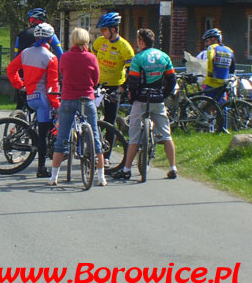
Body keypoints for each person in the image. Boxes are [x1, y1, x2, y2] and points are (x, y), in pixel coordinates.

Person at [113, 28, 178, 180]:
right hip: (158, 99)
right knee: (166, 134)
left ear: (141, 41)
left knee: (134, 136)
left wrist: (132, 98)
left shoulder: (138, 58)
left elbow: (134, 82)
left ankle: (127, 169)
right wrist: (163, 94)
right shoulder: (164, 56)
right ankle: (172, 167)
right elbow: (172, 80)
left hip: (142, 99)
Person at [49, 28, 106, 186]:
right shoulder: (92, 58)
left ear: (73, 40)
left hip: (68, 99)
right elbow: (96, 80)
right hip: (86, 99)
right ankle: (101, 177)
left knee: (61, 138)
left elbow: (62, 73)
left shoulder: (65, 57)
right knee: (95, 136)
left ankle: (54, 177)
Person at [6, 23, 60, 177]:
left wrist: (20, 84)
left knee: (39, 129)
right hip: (42, 98)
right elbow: (52, 86)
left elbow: (11, 69)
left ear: (36, 37)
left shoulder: (25, 53)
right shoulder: (51, 58)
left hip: (30, 97)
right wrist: (57, 105)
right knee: (43, 135)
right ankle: (41, 168)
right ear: (50, 39)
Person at [92, 12, 134, 166]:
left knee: (109, 121)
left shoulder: (125, 47)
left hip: (114, 86)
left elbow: (132, 72)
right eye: (101, 30)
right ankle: (92, 148)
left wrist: (123, 87)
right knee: (91, 119)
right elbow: (91, 60)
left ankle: (106, 155)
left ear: (114, 29)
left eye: (104, 30)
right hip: (96, 84)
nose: (102, 33)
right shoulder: (99, 42)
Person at [13, 8, 63, 109]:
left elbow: (16, 55)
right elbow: (60, 54)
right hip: (41, 76)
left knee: (21, 105)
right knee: (46, 105)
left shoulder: (21, 35)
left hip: (23, 74)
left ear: (31, 20)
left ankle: (18, 120)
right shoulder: (49, 34)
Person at [196, 28, 235, 103]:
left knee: (207, 107)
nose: (206, 44)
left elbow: (210, 61)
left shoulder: (212, 48)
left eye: (207, 41)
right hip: (223, 83)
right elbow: (232, 68)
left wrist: (209, 73)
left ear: (213, 39)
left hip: (211, 83)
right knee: (222, 107)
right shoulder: (229, 50)